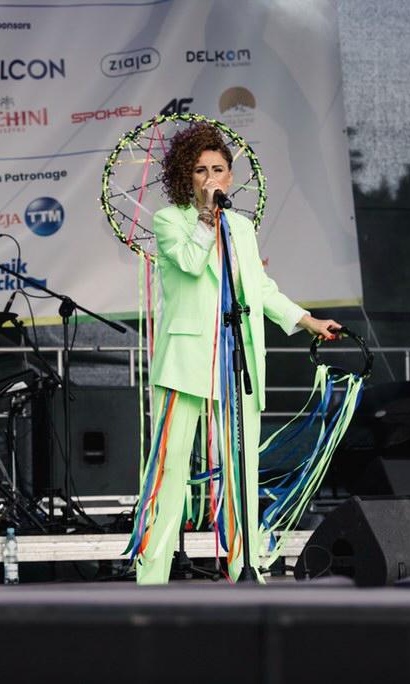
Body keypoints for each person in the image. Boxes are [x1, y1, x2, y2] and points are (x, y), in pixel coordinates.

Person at [132, 123, 341, 584]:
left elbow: (258, 288)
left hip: (236, 358)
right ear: (186, 177)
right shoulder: (170, 220)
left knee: (242, 470)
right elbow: (190, 264)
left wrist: (308, 320)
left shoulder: (243, 227)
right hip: (185, 360)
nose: (211, 178)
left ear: (230, 176)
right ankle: (152, 575)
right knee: (170, 468)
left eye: (218, 169)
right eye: (201, 170)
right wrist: (208, 220)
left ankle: (246, 567)